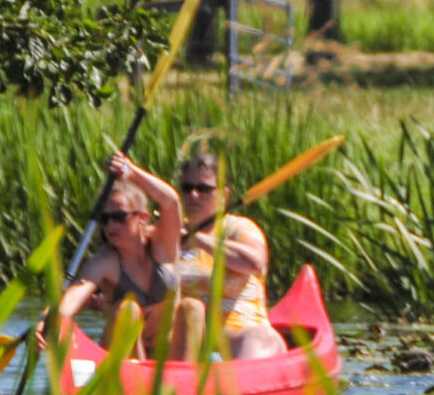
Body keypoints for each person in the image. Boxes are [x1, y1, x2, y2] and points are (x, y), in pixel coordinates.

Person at [57, 149, 203, 360]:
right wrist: (50, 319)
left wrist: (131, 171)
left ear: (142, 217)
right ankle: (136, 382)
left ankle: (188, 382)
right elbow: (75, 294)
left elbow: (171, 202)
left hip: (168, 355)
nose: (110, 225)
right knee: (128, 309)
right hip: (126, 360)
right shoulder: (105, 260)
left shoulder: (163, 244)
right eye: (105, 219)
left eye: (119, 217)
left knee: (193, 307)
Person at [170, 148, 286, 360]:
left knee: (258, 338)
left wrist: (199, 239)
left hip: (242, 339)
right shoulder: (172, 233)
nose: (193, 195)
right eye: (187, 188)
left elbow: (254, 262)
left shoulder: (240, 227)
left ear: (224, 195)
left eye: (204, 189)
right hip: (189, 342)